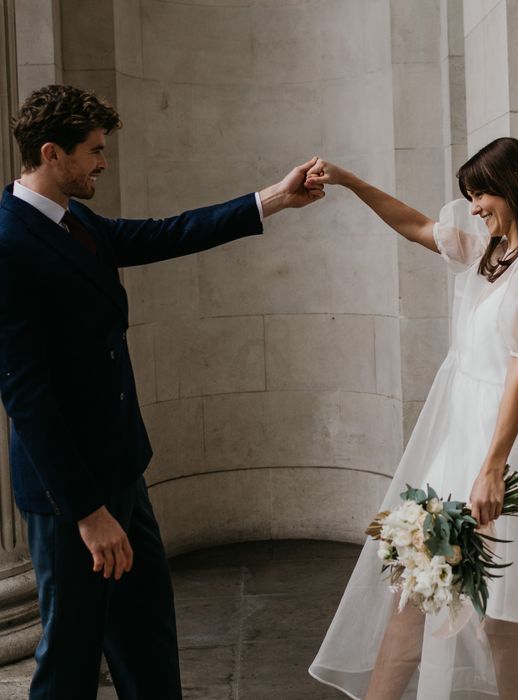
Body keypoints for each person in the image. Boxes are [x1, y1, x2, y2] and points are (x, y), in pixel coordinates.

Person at [0, 84, 324, 700]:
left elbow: (166, 234)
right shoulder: (7, 242)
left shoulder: (76, 222)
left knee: (147, 643)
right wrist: (89, 514)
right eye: (94, 151)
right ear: (51, 153)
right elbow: (26, 396)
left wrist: (276, 198)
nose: (102, 162)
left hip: (124, 472)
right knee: (69, 660)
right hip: (70, 498)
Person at [306, 138, 518, 699]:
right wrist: (347, 180)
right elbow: (415, 226)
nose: (475, 205)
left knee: (499, 617)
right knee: (412, 591)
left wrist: (492, 468)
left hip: (498, 451)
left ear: (516, 186)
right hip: (456, 446)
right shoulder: (494, 256)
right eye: (470, 195)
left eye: (482, 193)